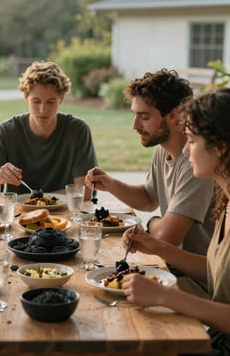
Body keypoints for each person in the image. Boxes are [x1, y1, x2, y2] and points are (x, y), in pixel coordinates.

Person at [85, 69, 215, 295]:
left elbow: (166, 237)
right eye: (135, 115)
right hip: (172, 268)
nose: (135, 125)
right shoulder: (164, 150)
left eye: (144, 117)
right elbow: (148, 198)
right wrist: (110, 183)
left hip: (198, 282)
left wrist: (152, 223)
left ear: (174, 115)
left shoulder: (196, 163)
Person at [121, 88, 230, 356]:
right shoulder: (226, 202)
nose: (184, 148)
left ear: (220, 147)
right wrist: (157, 248)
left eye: (191, 140)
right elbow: (217, 271)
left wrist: (164, 296)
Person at [0, 61, 97, 200]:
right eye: (36, 101)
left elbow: (85, 192)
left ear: (61, 99)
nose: (43, 109)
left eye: (50, 102)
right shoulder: (7, 131)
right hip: (20, 215)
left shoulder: (78, 130)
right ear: (26, 97)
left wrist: (41, 199)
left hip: (65, 216)